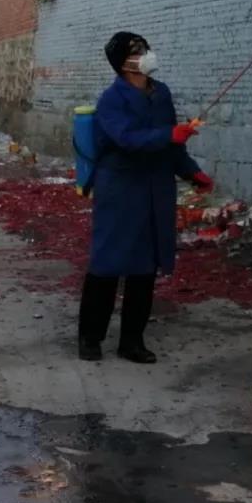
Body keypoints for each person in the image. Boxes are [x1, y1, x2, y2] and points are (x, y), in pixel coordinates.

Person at [78, 32, 214, 364]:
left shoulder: (161, 93)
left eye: (145, 48)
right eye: (137, 51)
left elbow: (173, 144)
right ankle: (90, 337)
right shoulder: (112, 99)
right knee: (108, 262)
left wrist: (191, 172)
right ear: (122, 62)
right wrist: (169, 134)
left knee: (145, 266)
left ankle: (132, 340)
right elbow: (126, 138)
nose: (145, 54)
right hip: (120, 187)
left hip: (156, 187)